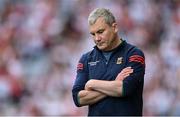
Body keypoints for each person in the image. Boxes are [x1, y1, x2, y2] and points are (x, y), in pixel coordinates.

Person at [72, 8, 145, 116]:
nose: (97, 38)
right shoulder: (86, 59)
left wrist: (92, 83)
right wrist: (114, 83)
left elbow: (124, 89)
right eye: (93, 34)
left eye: (100, 32)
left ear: (114, 27)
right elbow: (78, 98)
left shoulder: (134, 54)